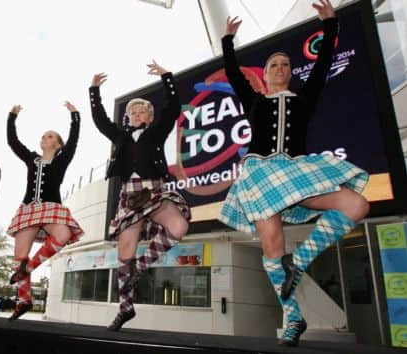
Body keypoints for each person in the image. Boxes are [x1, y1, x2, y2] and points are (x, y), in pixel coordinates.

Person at [219, 0, 370, 346]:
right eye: (274, 64)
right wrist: (228, 41)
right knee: (272, 242)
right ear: (266, 73)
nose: (281, 68)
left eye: (286, 64)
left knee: (356, 205)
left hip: (295, 171)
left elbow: (324, 65)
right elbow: (232, 73)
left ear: (291, 72)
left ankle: (297, 263)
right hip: (260, 172)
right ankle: (293, 318)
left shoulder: (305, 99)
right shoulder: (254, 100)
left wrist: (330, 24)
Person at [90, 61, 190, 331]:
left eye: (140, 110)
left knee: (179, 226)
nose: (135, 113)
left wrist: (166, 77)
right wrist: (94, 90)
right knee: (125, 252)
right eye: (132, 111)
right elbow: (100, 120)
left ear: (148, 115)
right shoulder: (120, 135)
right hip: (129, 196)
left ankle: (142, 266)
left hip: (154, 191)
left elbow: (173, 107)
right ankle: (125, 308)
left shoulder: (157, 132)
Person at [6, 101, 84, 320]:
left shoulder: (62, 159)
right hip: (29, 208)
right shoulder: (31, 158)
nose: (46, 138)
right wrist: (12, 116)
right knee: (18, 256)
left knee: (63, 234)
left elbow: (75, 140)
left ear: (59, 144)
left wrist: (75, 115)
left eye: (51, 136)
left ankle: (29, 268)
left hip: (51, 207)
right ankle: (23, 301)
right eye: (44, 135)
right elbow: (13, 142)